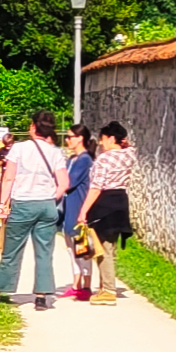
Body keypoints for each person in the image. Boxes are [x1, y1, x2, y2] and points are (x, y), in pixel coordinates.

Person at [0, 111, 69, 308]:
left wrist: (3, 204)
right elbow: (64, 183)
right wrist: (50, 198)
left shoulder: (19, 148)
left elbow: (9, 178)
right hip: (46, 205)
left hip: (23, 203)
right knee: (44, 252)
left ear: (33, 127)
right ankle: (41, 296)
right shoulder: (55, 152)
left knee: (12, 250)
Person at [82, 121, 134, 299]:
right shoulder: (129, 155)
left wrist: (84, 211)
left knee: (102, 247)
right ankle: (104, 285)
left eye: (103, 139)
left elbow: (96, 187)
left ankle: (109, 290)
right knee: (110, 246)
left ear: (111, 138)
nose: (101, 143)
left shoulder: (104, 159)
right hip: (121, 200)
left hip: (105, 202)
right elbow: (129, 147)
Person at [60, 126, 96, 299]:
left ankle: (86, 286)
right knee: (71, 248)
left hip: (78, 207)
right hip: (69, 207)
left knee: (81, 247)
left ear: (80, 138)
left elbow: (69, 182)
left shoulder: (84, 160)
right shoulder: (72, 159)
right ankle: (76, 284)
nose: (67, 140)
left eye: (70, 137)